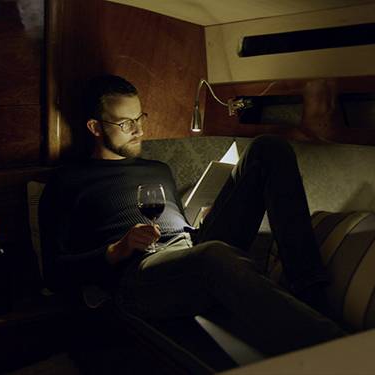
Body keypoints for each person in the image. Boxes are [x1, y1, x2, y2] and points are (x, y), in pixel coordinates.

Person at [39, 75, 345, 356]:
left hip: (191, 249)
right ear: (95, 127)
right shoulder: (67, 181)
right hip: (138, 276)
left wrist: (197, 225)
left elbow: (175, 230)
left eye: (140, 118)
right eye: (125, 124)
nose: (139, 130)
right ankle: (337, 348)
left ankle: (310, 291)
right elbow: (54, 273)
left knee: (268, 149)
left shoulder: (158, 169)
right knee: (213, 256)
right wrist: (119, 248)